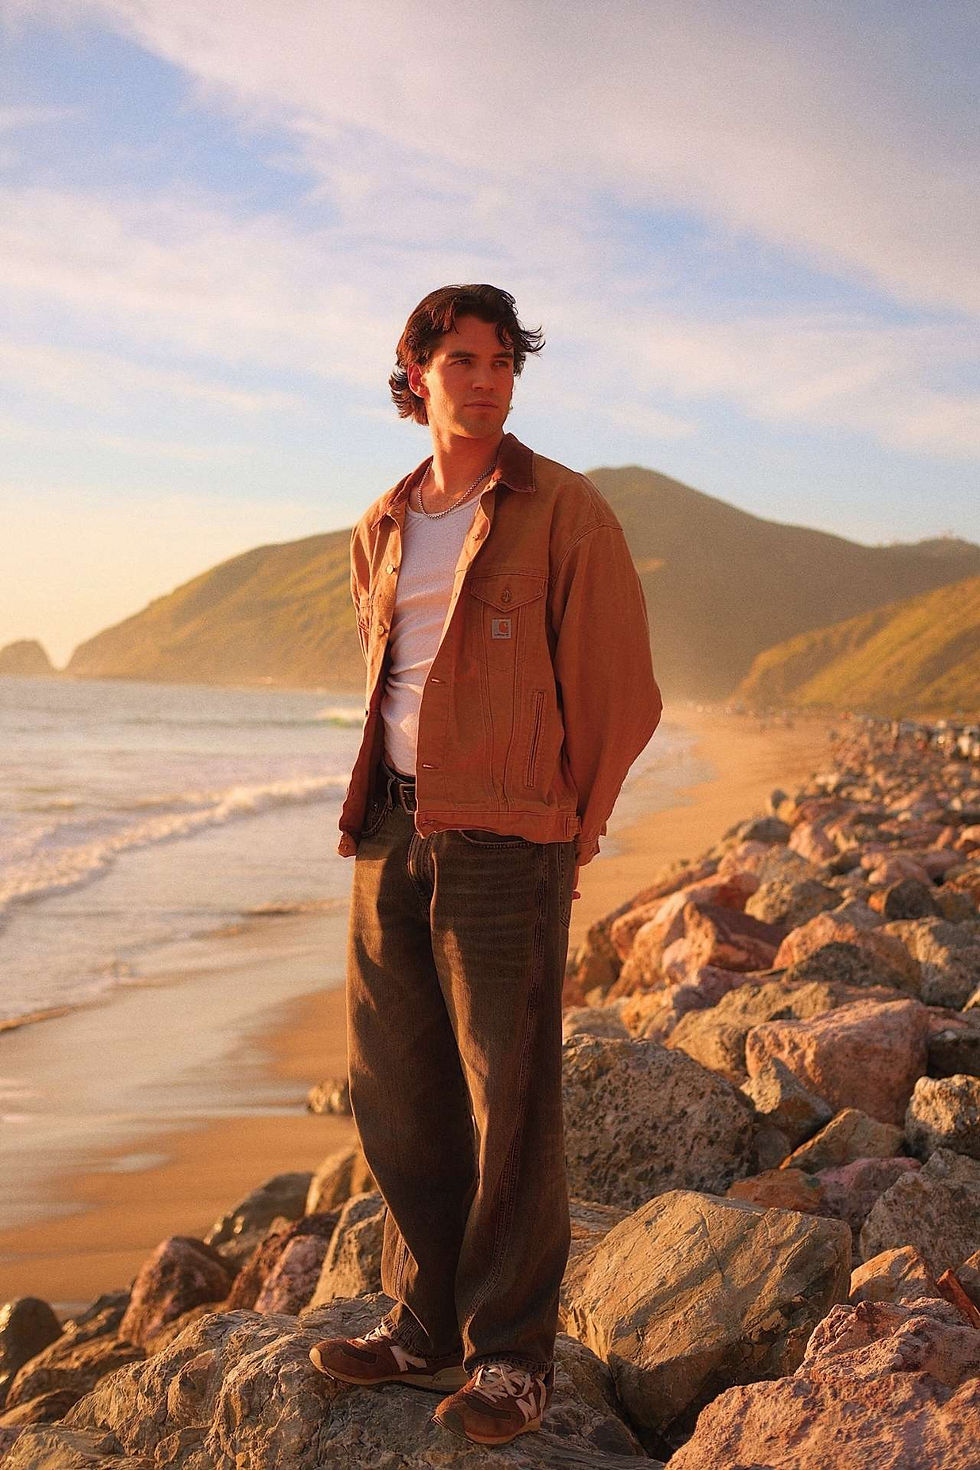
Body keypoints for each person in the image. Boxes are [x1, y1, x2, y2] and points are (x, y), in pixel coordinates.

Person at [309, 284, 662, 1446]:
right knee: (397, 1088)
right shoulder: (381, 523)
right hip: (385, 830)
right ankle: (422, 1326)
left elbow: (616, 692)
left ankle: (511, 1357)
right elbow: (394, 680)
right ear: (415, 372)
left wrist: (574, 832)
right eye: (462, 359)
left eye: (502, 360)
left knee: (509, 1100)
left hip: (507, 840)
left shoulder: (562, 510)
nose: (486, 380)